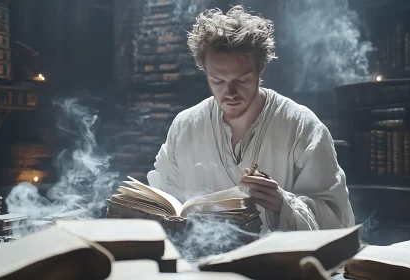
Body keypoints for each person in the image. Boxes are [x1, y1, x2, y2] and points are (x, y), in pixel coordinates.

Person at [147, 5, 354, 233]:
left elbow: (337, 220)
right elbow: (164, 200)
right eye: (218, 81)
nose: (230, 93)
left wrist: (283, 204)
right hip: (201, 263)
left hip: (278, 265)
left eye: (242, 80)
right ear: (204, 71)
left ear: (260, 70)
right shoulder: (185, 127)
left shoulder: (302, 127)